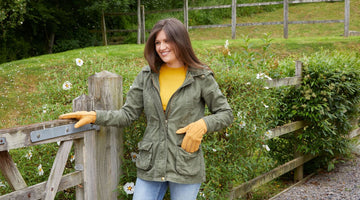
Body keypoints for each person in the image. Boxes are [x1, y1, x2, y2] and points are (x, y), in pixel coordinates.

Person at [59, 18, 233, 200]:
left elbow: (225, 113)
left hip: (185, 164)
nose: (161, 47)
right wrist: (95, 116)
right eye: (157, 42)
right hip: (150, 164)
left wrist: (203, 125)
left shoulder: (201, 76)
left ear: (181, 40)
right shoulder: (146, 75)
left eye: (167, 41)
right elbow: (127, 114)